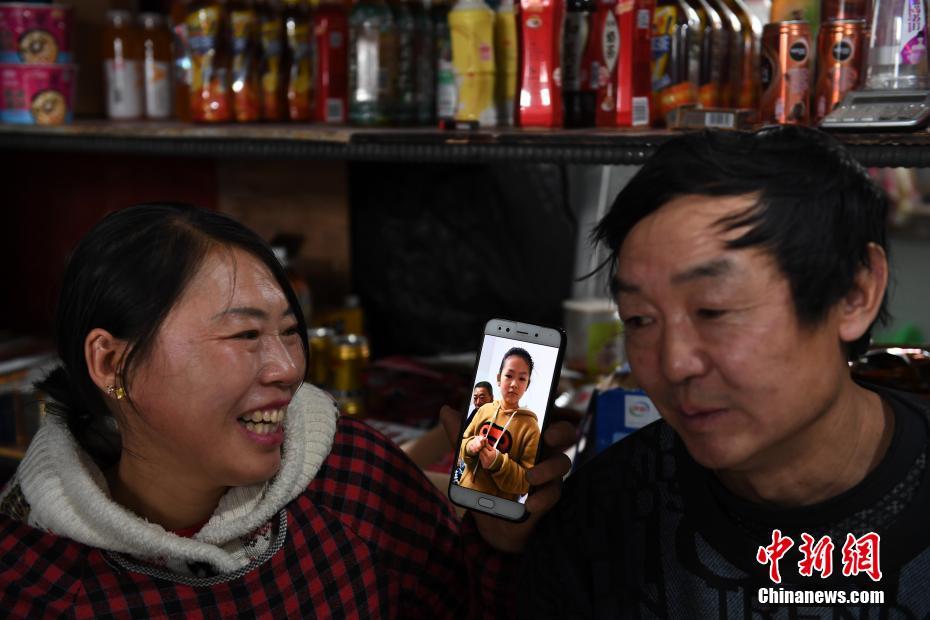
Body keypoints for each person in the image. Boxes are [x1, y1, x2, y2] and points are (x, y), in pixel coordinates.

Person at [0, 203, 571, 618]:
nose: (287, 369)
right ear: (112, 362)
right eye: (245, 334)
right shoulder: (35, 583)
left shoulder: (354, 478)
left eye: (290, 332)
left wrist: (501, 544)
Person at [519, 126, 930, 616]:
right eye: (640, 319)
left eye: (713, 310)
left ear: (854, 294)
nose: (674, 364)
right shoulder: (605, 515)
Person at [457, 348, 540, 501]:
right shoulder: (484, 409)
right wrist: (469, 446)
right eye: (509, 375)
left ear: (527, 384)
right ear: (498, 378)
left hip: (499, 507)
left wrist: (498, 463)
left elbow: (527, 482)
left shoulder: (531, 427)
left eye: (522, 379)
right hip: (464, 492)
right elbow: (462, 445)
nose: (514, 384)